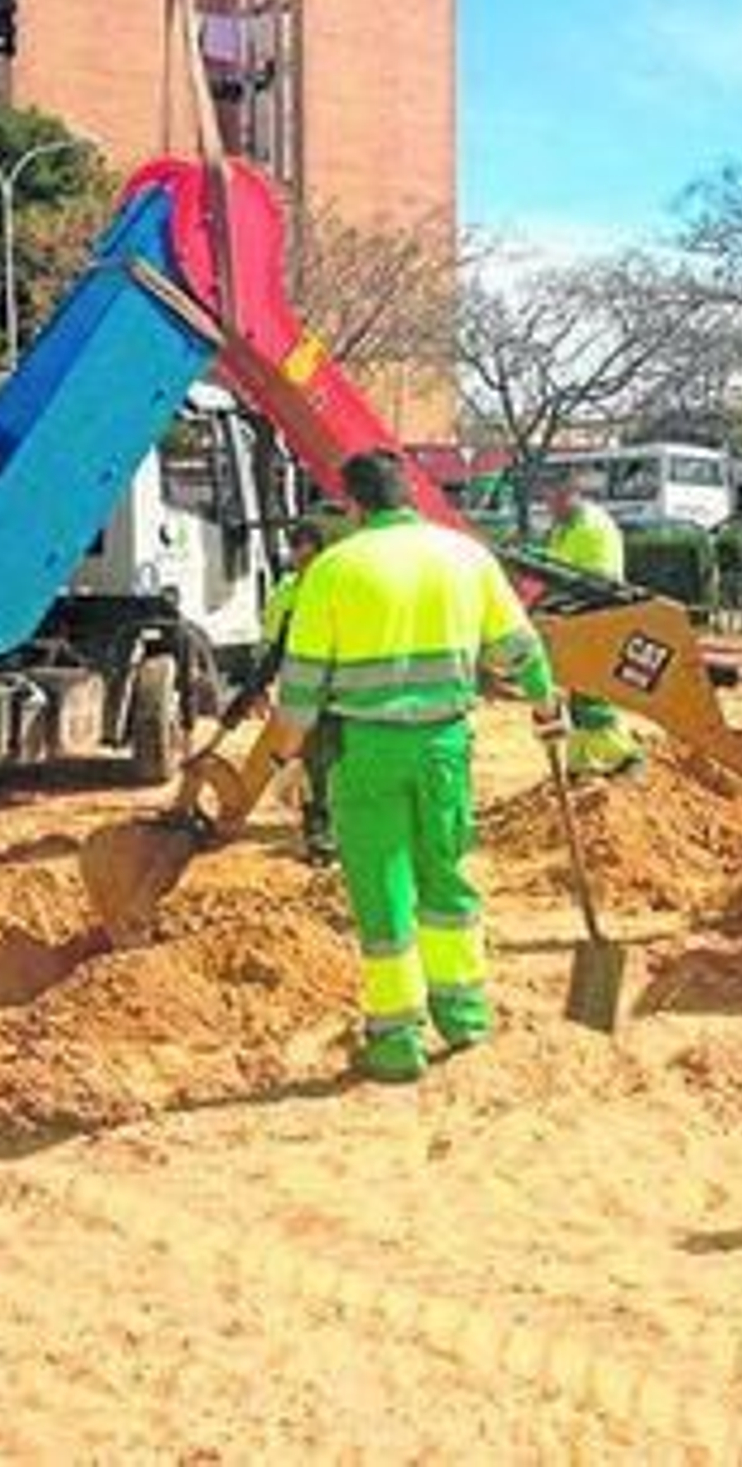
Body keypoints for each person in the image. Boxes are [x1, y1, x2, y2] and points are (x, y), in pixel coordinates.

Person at [279, 450, 564, 1085]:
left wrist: (287, 758)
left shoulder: (333, 568)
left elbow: (301, 684)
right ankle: (464, 1015)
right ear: (407, 493)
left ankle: (395, 1040)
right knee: (446, 877)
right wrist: (548, 707)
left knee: (383, 895)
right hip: (445, 747)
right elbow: (520, 647)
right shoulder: (466, 557)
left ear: (353, 506)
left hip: (367, 750)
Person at [237, 518, 336, 861]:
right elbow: (270, 642)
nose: (301, 560)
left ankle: (327, 826)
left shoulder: (336, 586)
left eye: (309, 554)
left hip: (338, 688)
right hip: (300, 689)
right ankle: (318, 830)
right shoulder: (287, 591)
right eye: (298, 553)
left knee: (326, 762)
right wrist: (258, 685)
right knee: (309, 763)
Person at [542, 471, 644, 776]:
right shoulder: (564, 528)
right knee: (578, 695)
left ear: (574, 493)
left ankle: (625, 755)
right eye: (548, 500)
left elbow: (599, 586)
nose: (551, 507)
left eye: (557, 499)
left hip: (595, 620)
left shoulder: (592, 528)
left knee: (591, 696)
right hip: (574, 620)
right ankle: (581, 763)